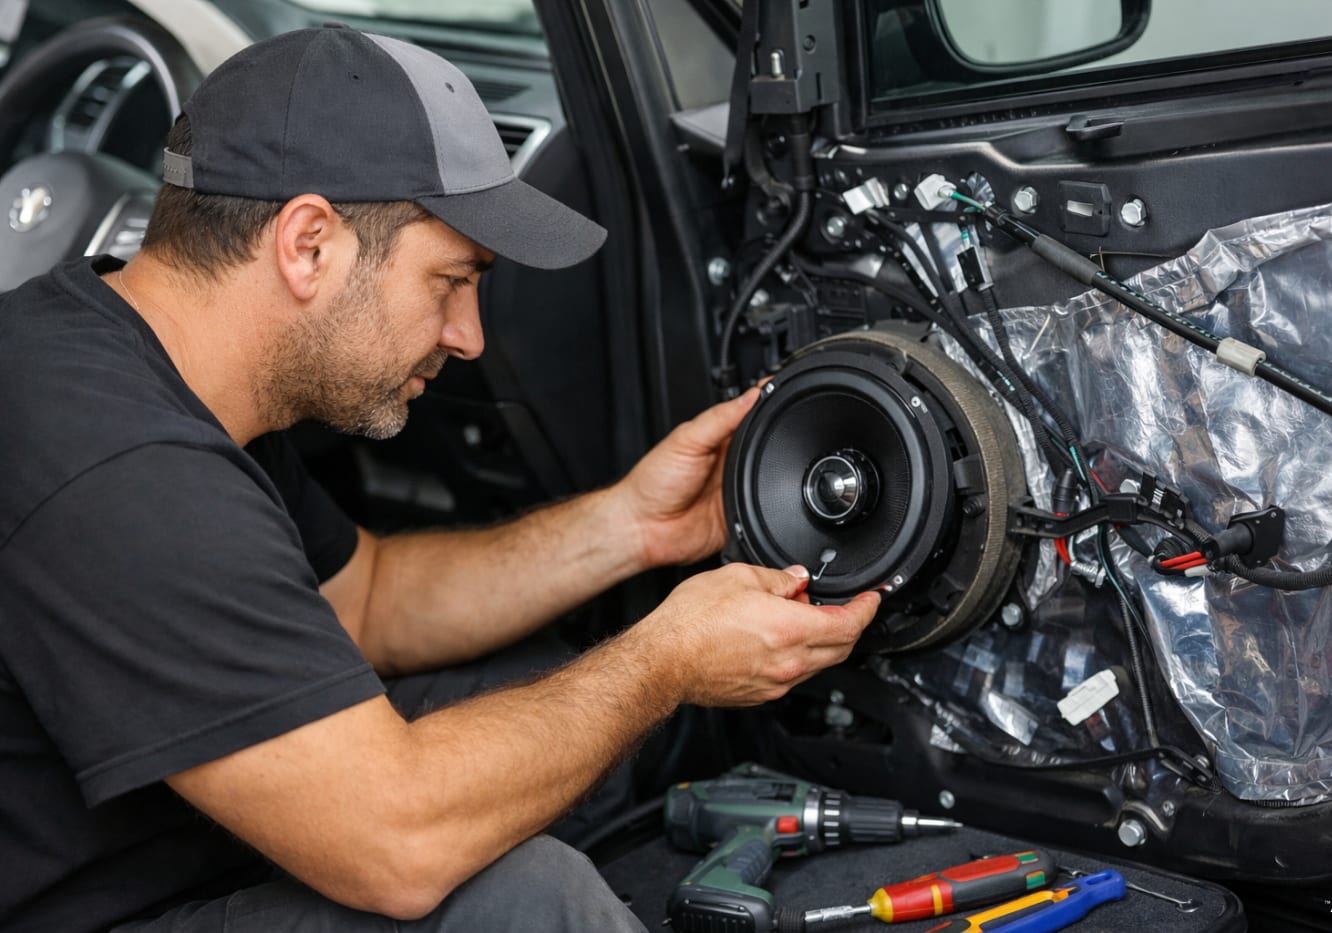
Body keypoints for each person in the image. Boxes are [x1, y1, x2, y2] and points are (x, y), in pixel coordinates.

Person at [0, 24, 880, 933]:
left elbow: (371, 599)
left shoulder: (159, 357)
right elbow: (398, 846)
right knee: (529, 899)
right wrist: (665, 660)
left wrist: (632, 526)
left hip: (166, 829)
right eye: (451, 280)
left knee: (559, 710)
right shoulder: (123, 467)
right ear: (308, 243)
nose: (470, 337)